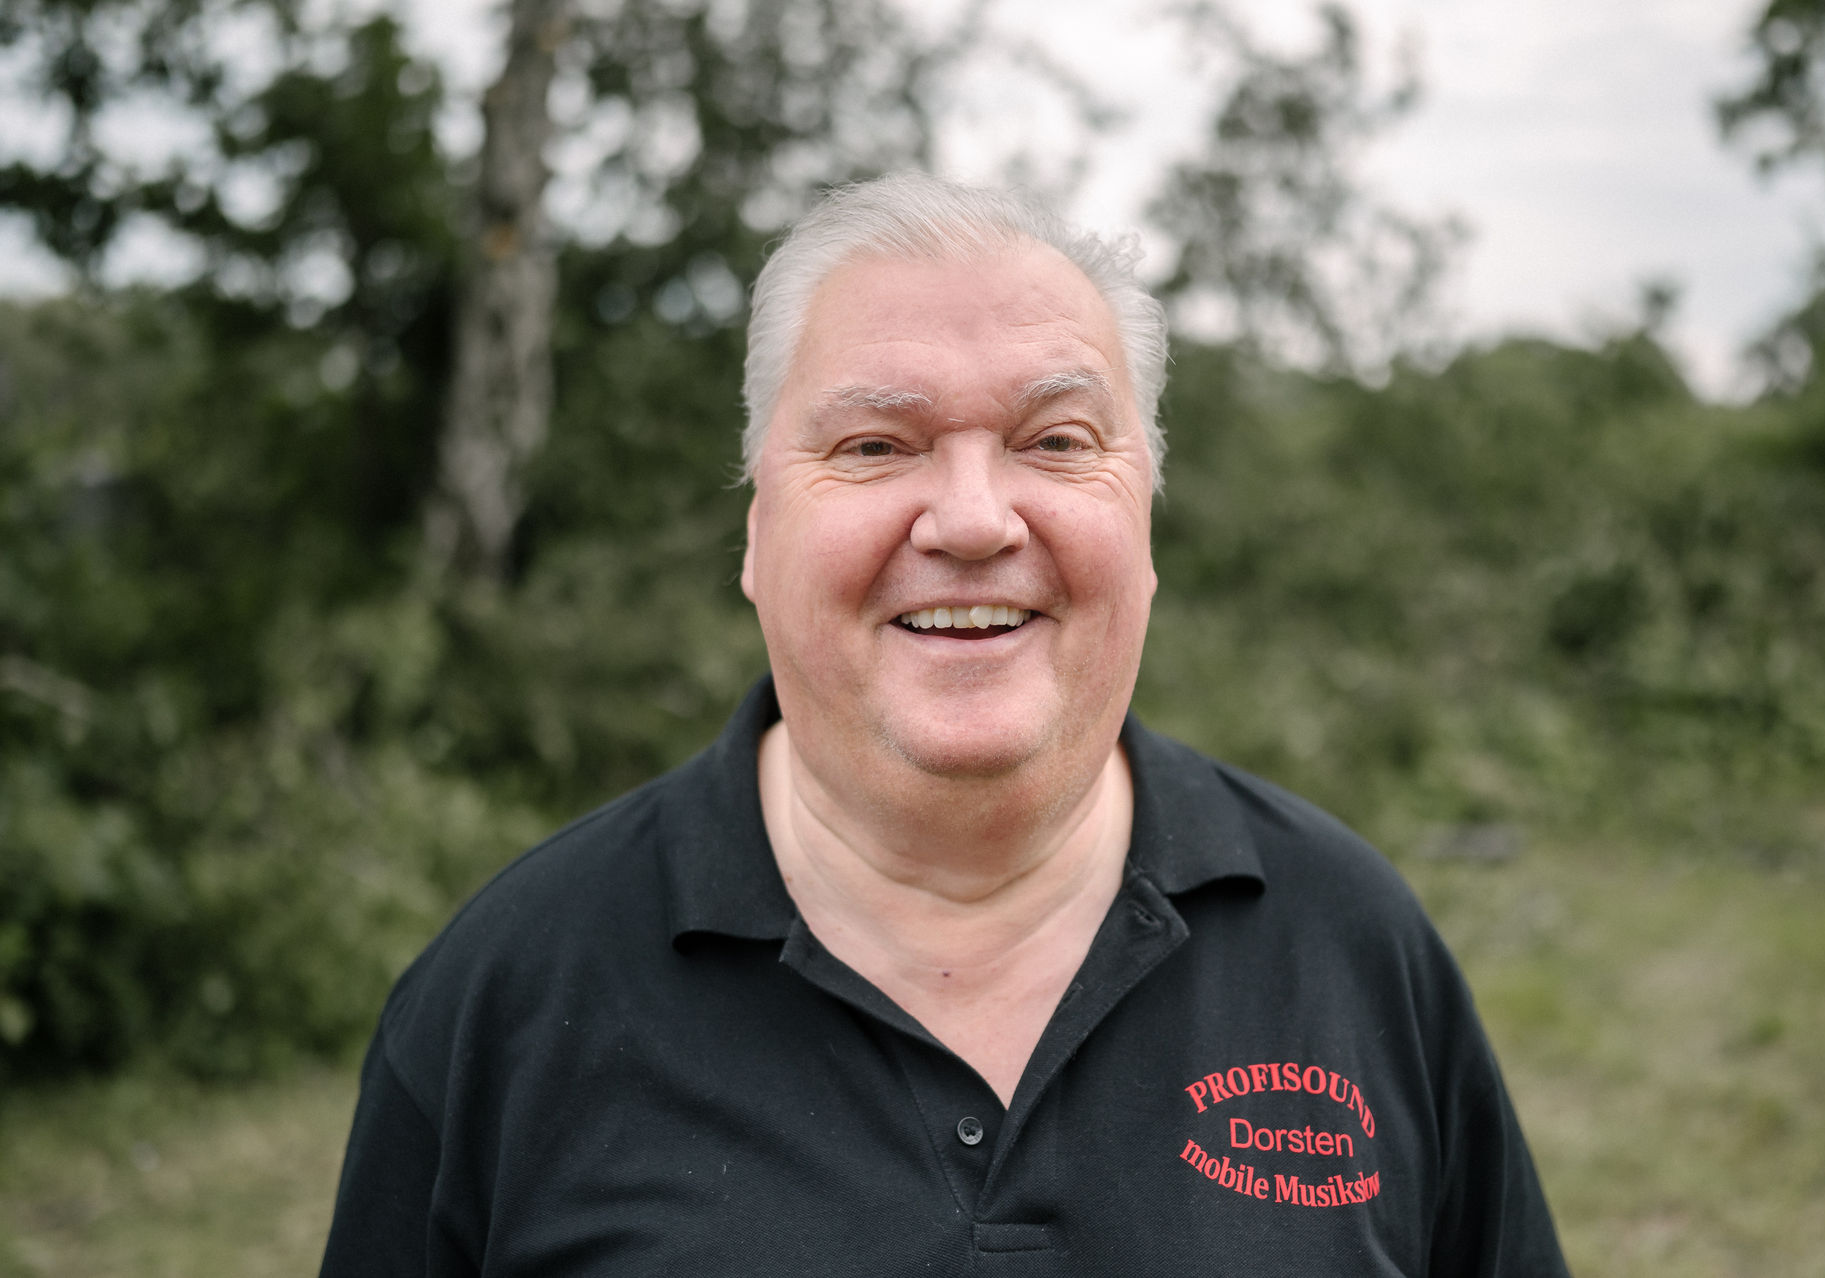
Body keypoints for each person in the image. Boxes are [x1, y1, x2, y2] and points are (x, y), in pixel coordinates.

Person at [320, 173, 1569, 1275]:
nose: (973, 521)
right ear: (756, 536)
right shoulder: (503, 1000)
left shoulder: (1355, 944)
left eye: (1055, 440)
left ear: (1144, 522)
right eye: (876, 445)